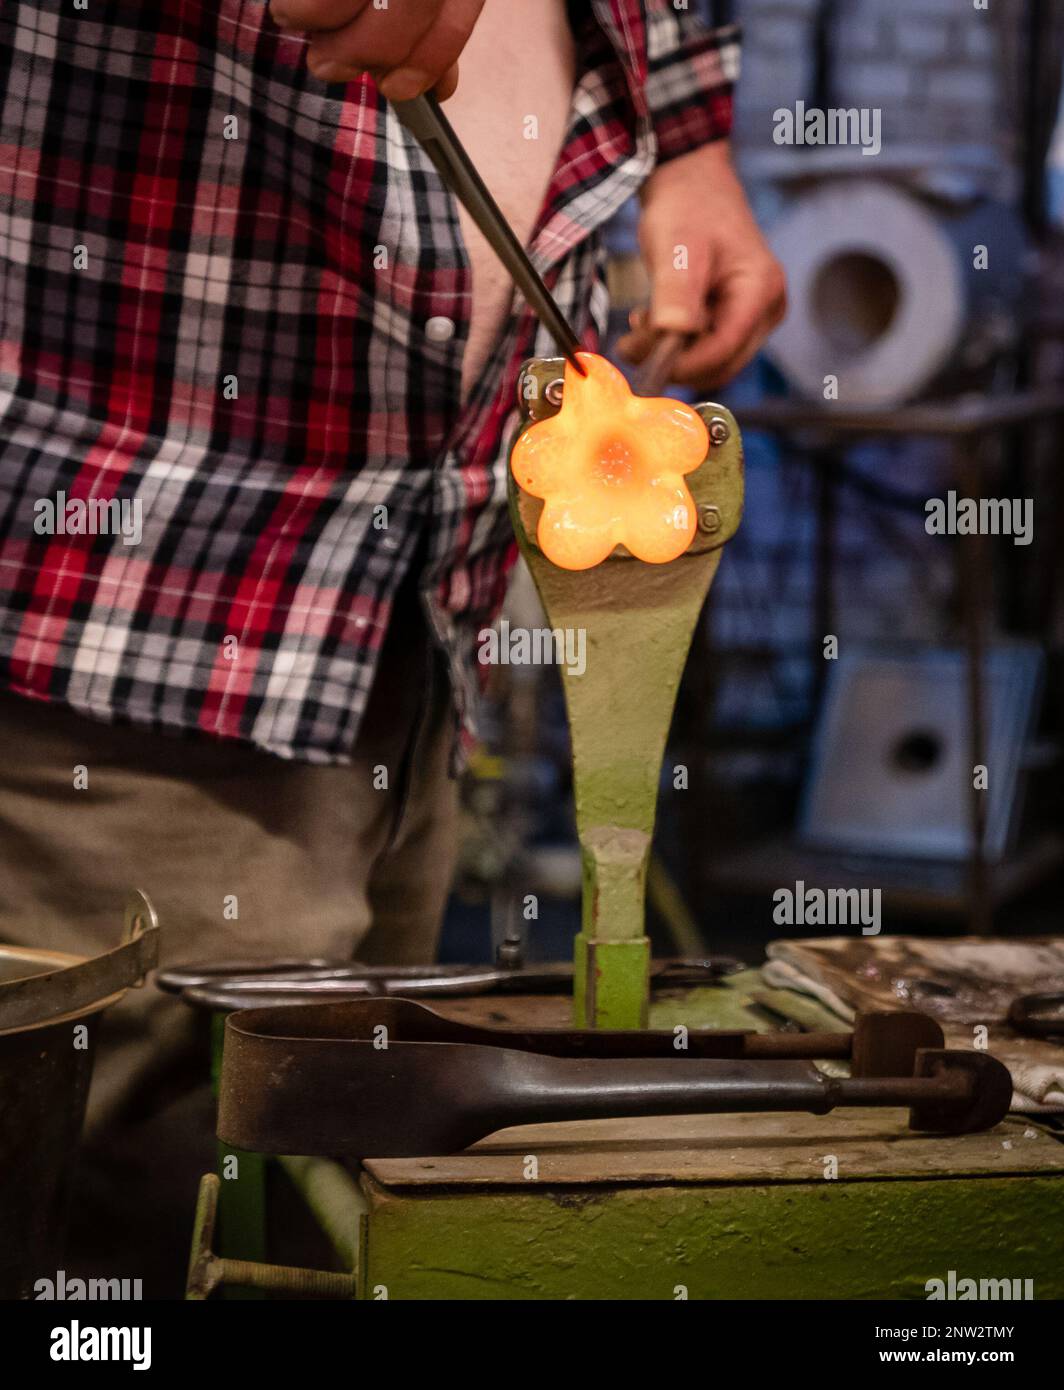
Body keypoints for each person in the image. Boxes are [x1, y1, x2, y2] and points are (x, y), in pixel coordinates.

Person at [0, 0, 785, 1293]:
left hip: (421, 606)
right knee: (113, 1250)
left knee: (313, 1199)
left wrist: (691, 141)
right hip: (132, 604)